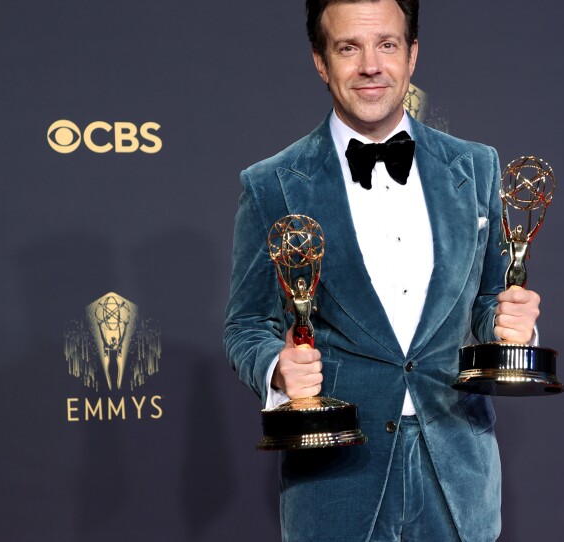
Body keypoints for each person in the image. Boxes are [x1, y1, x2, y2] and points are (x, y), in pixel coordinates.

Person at [224, 1, 541, 540]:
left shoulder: (476, 166)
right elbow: (245, 326)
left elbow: (486, 300)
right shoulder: (272, 185)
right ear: (321, 62)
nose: (371, 65)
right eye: (349, 47)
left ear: (412, 55)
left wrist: (512, 327)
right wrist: (277, 368)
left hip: (458, 476)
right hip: (337, 481)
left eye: (387, 44)